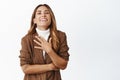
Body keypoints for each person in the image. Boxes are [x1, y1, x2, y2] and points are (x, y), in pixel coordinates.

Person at [19, 4, 70, 80]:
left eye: (46, 13)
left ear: (51, 18)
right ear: (34, 20)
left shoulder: (61, 36)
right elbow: (25, 68)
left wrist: (50, 51)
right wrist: (51, 66)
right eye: (39, 13)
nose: (43, 15)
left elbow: (63, 65)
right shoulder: (26, 39)